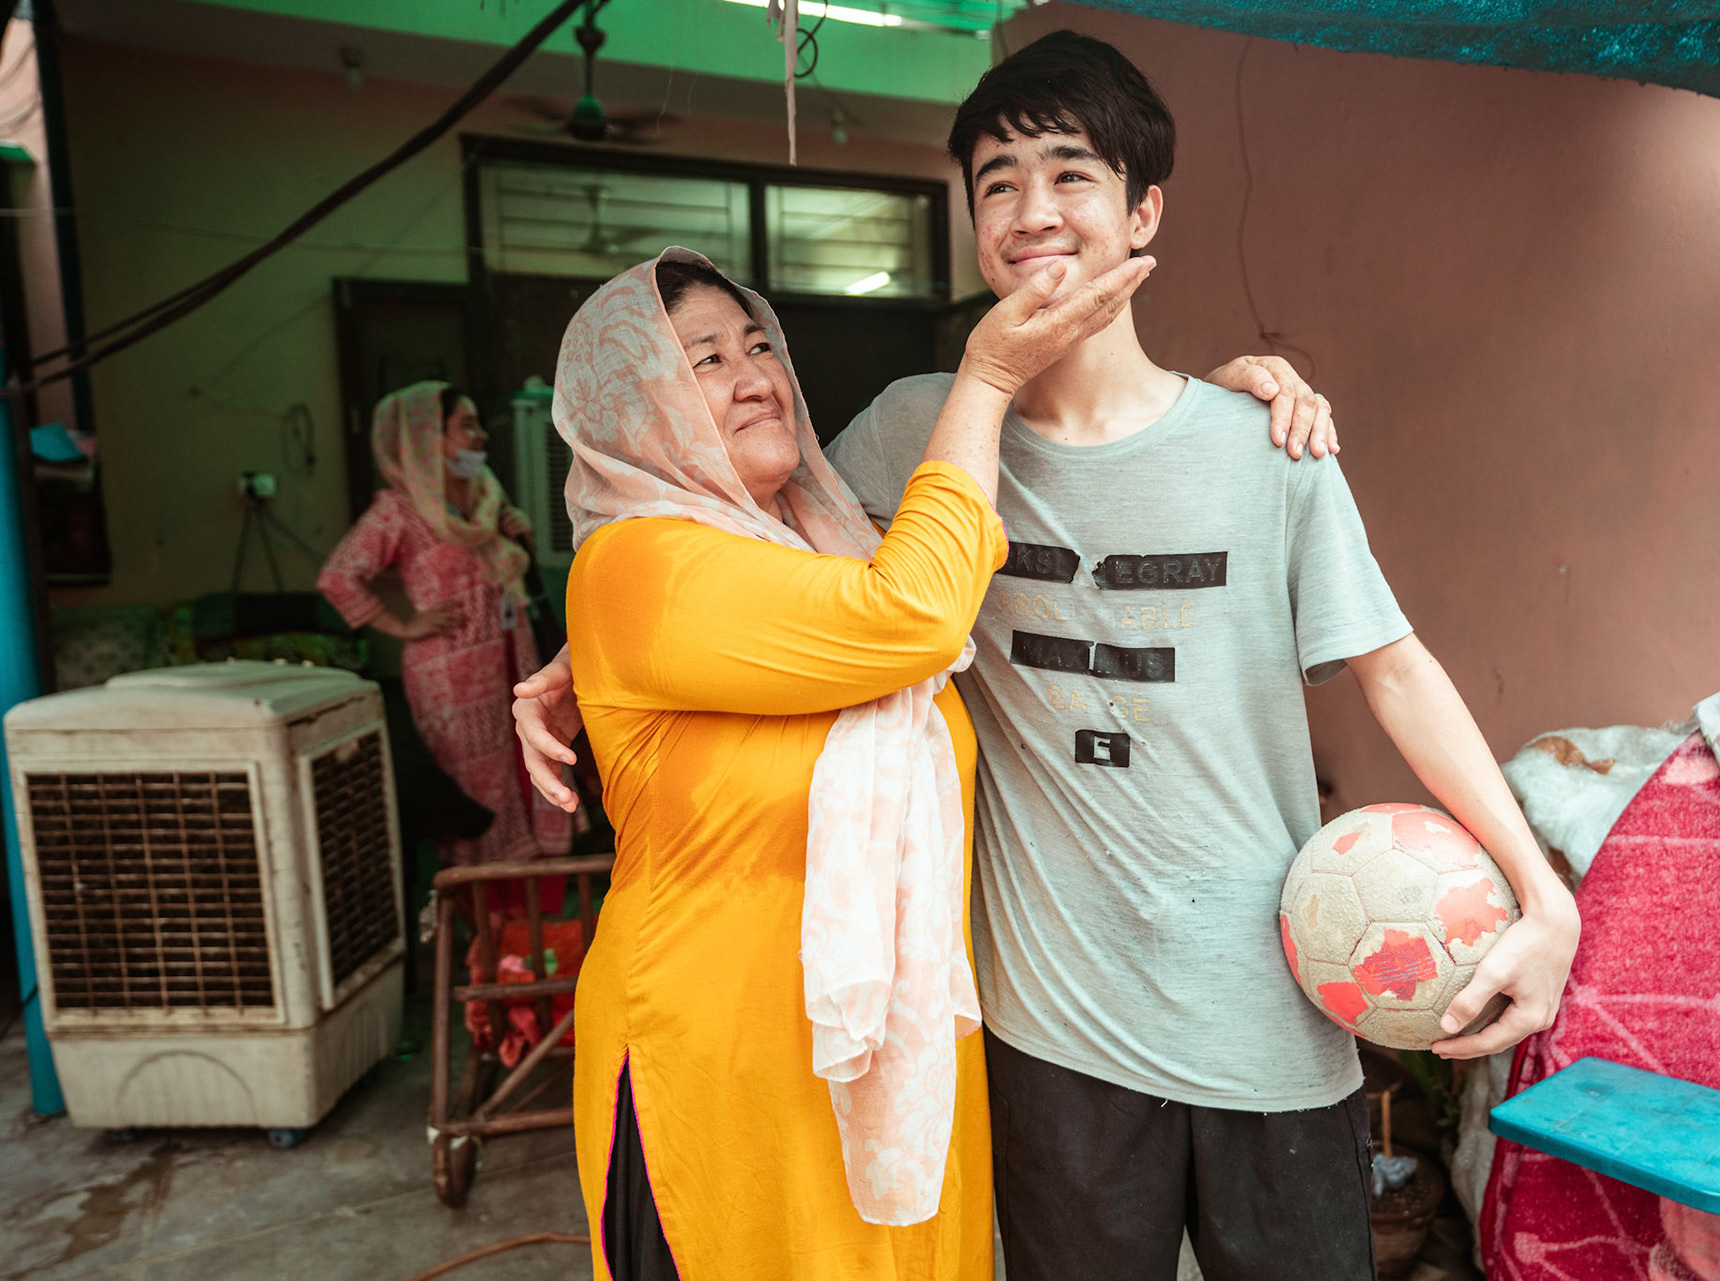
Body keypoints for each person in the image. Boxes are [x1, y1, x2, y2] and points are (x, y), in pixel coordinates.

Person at [525, 30, 1583, 1281]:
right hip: (1048, 1032)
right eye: (997, 184)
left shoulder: (1264, 445)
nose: (1033, 211)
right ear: (974, 228)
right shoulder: (918, 430)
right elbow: (769, 551)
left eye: (1072, 174)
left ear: (1144, 212)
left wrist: (1544, 891)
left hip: (1272, 1011)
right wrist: (571, 653)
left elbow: (1395, 668)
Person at [558, 246, 1153, 1281]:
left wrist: (1225, 389)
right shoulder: (636, 566)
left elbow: (942, 554)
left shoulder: (819, 549)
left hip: (897, 1047)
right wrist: (988, 376)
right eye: (703, 360)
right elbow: (917, 615)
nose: (755, 375)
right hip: (726, 1057)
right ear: (633, 406)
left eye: (758, 346)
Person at [318, 382, 579, 870]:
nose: (480, 437)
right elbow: (338, 576)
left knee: (527, 767)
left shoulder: (486, 500)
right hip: (450, 680)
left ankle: (527, 919)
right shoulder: (399, 511)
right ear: (425, 439)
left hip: (512, 661)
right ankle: (485, 917)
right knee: (475, 787)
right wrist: (404, 625)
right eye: (466, 427)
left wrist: (515, 538)